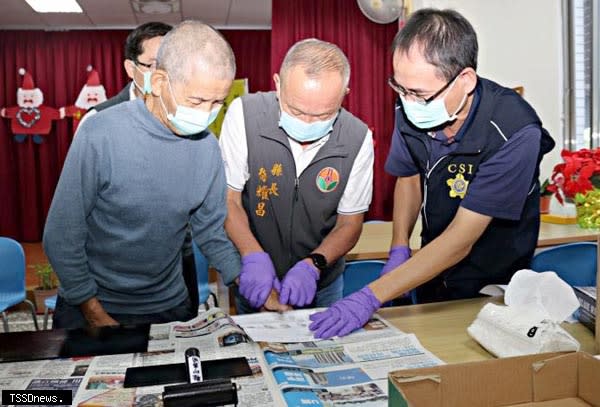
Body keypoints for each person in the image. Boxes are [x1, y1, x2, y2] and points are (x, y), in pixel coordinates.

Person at [309, 8, 555, 339]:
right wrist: (399, 247)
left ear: (465, 80)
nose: (407, 102)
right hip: (430, 261)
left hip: (491, 277)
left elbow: (461, 239)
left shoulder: (514, 131)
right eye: (400, 88)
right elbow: (408, 176)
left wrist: (371, 296)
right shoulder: (411, 106)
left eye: (419, 94)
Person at [43, 20, 240, 329]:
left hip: (169, 306)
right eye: (197, 101)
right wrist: (92, 308)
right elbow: (61, 234)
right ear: (159, 82)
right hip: (93, 305)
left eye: (217, 102)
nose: (206, 113)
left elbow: (211, 232)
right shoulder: (100, 132)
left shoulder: (208, 148)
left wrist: (244, 277)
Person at [219, 38, 374, 313]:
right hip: (256, 276)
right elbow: (228, 199)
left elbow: (350, 222)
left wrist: (315, 264)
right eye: (296, 110)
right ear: (277, 84)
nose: (306, 124)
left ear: (344, 94)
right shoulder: (244, 114)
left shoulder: (358, 138)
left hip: (322, 282)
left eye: (323, 114)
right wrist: (252, 255)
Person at [83, 21, 172, 119]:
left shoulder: (186, 116)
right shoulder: (98, 118)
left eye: (173, 65)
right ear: (131, 68)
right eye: (154, 65)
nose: (164, 73)